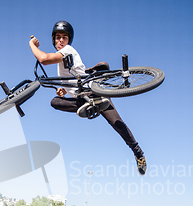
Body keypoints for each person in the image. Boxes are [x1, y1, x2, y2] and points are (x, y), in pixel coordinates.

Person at [29, 21, 147, 175]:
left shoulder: (68, 50)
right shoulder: (62, 65)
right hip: (82, 98)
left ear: (68, 40)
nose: (61, 40)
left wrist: (32, 45)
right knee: (54, 102)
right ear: (53, 40)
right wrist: (63, 89)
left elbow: (43, 59)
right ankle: (91, 104)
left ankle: (139, 154)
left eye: (64, 37)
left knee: (117, 123)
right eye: (58, 38)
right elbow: (70, 80)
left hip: (95, 92)